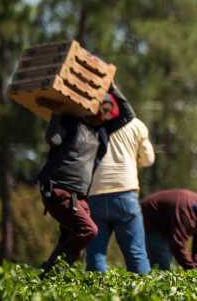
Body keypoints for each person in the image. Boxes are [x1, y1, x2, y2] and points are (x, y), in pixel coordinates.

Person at [37, 83, 133, 273]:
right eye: (102, 108)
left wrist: (113, 87)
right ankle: (52, 272)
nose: (105, 114)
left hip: (79, 197)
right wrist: (57, 113)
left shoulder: (102, 132)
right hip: (58, 190)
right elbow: (53, 140)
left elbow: (128, 115)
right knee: (89, 231)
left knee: (72, 244)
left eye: (108, 111)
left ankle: (48, 278)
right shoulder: (72, 122)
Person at [85, 85, 155, 274]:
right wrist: (133, 161)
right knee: (136, 253)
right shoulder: (136, 124)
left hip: (95, 195)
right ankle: (143, 296)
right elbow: (148, 159)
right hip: (125, 193)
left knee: (95, 254)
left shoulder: (90, 126)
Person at [140, 188, 197, 270]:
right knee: (162, 262)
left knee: (166, 259)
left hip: (167, 225)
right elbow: (177, 243)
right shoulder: (186, 211)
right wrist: (190, 268)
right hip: (150, 218)